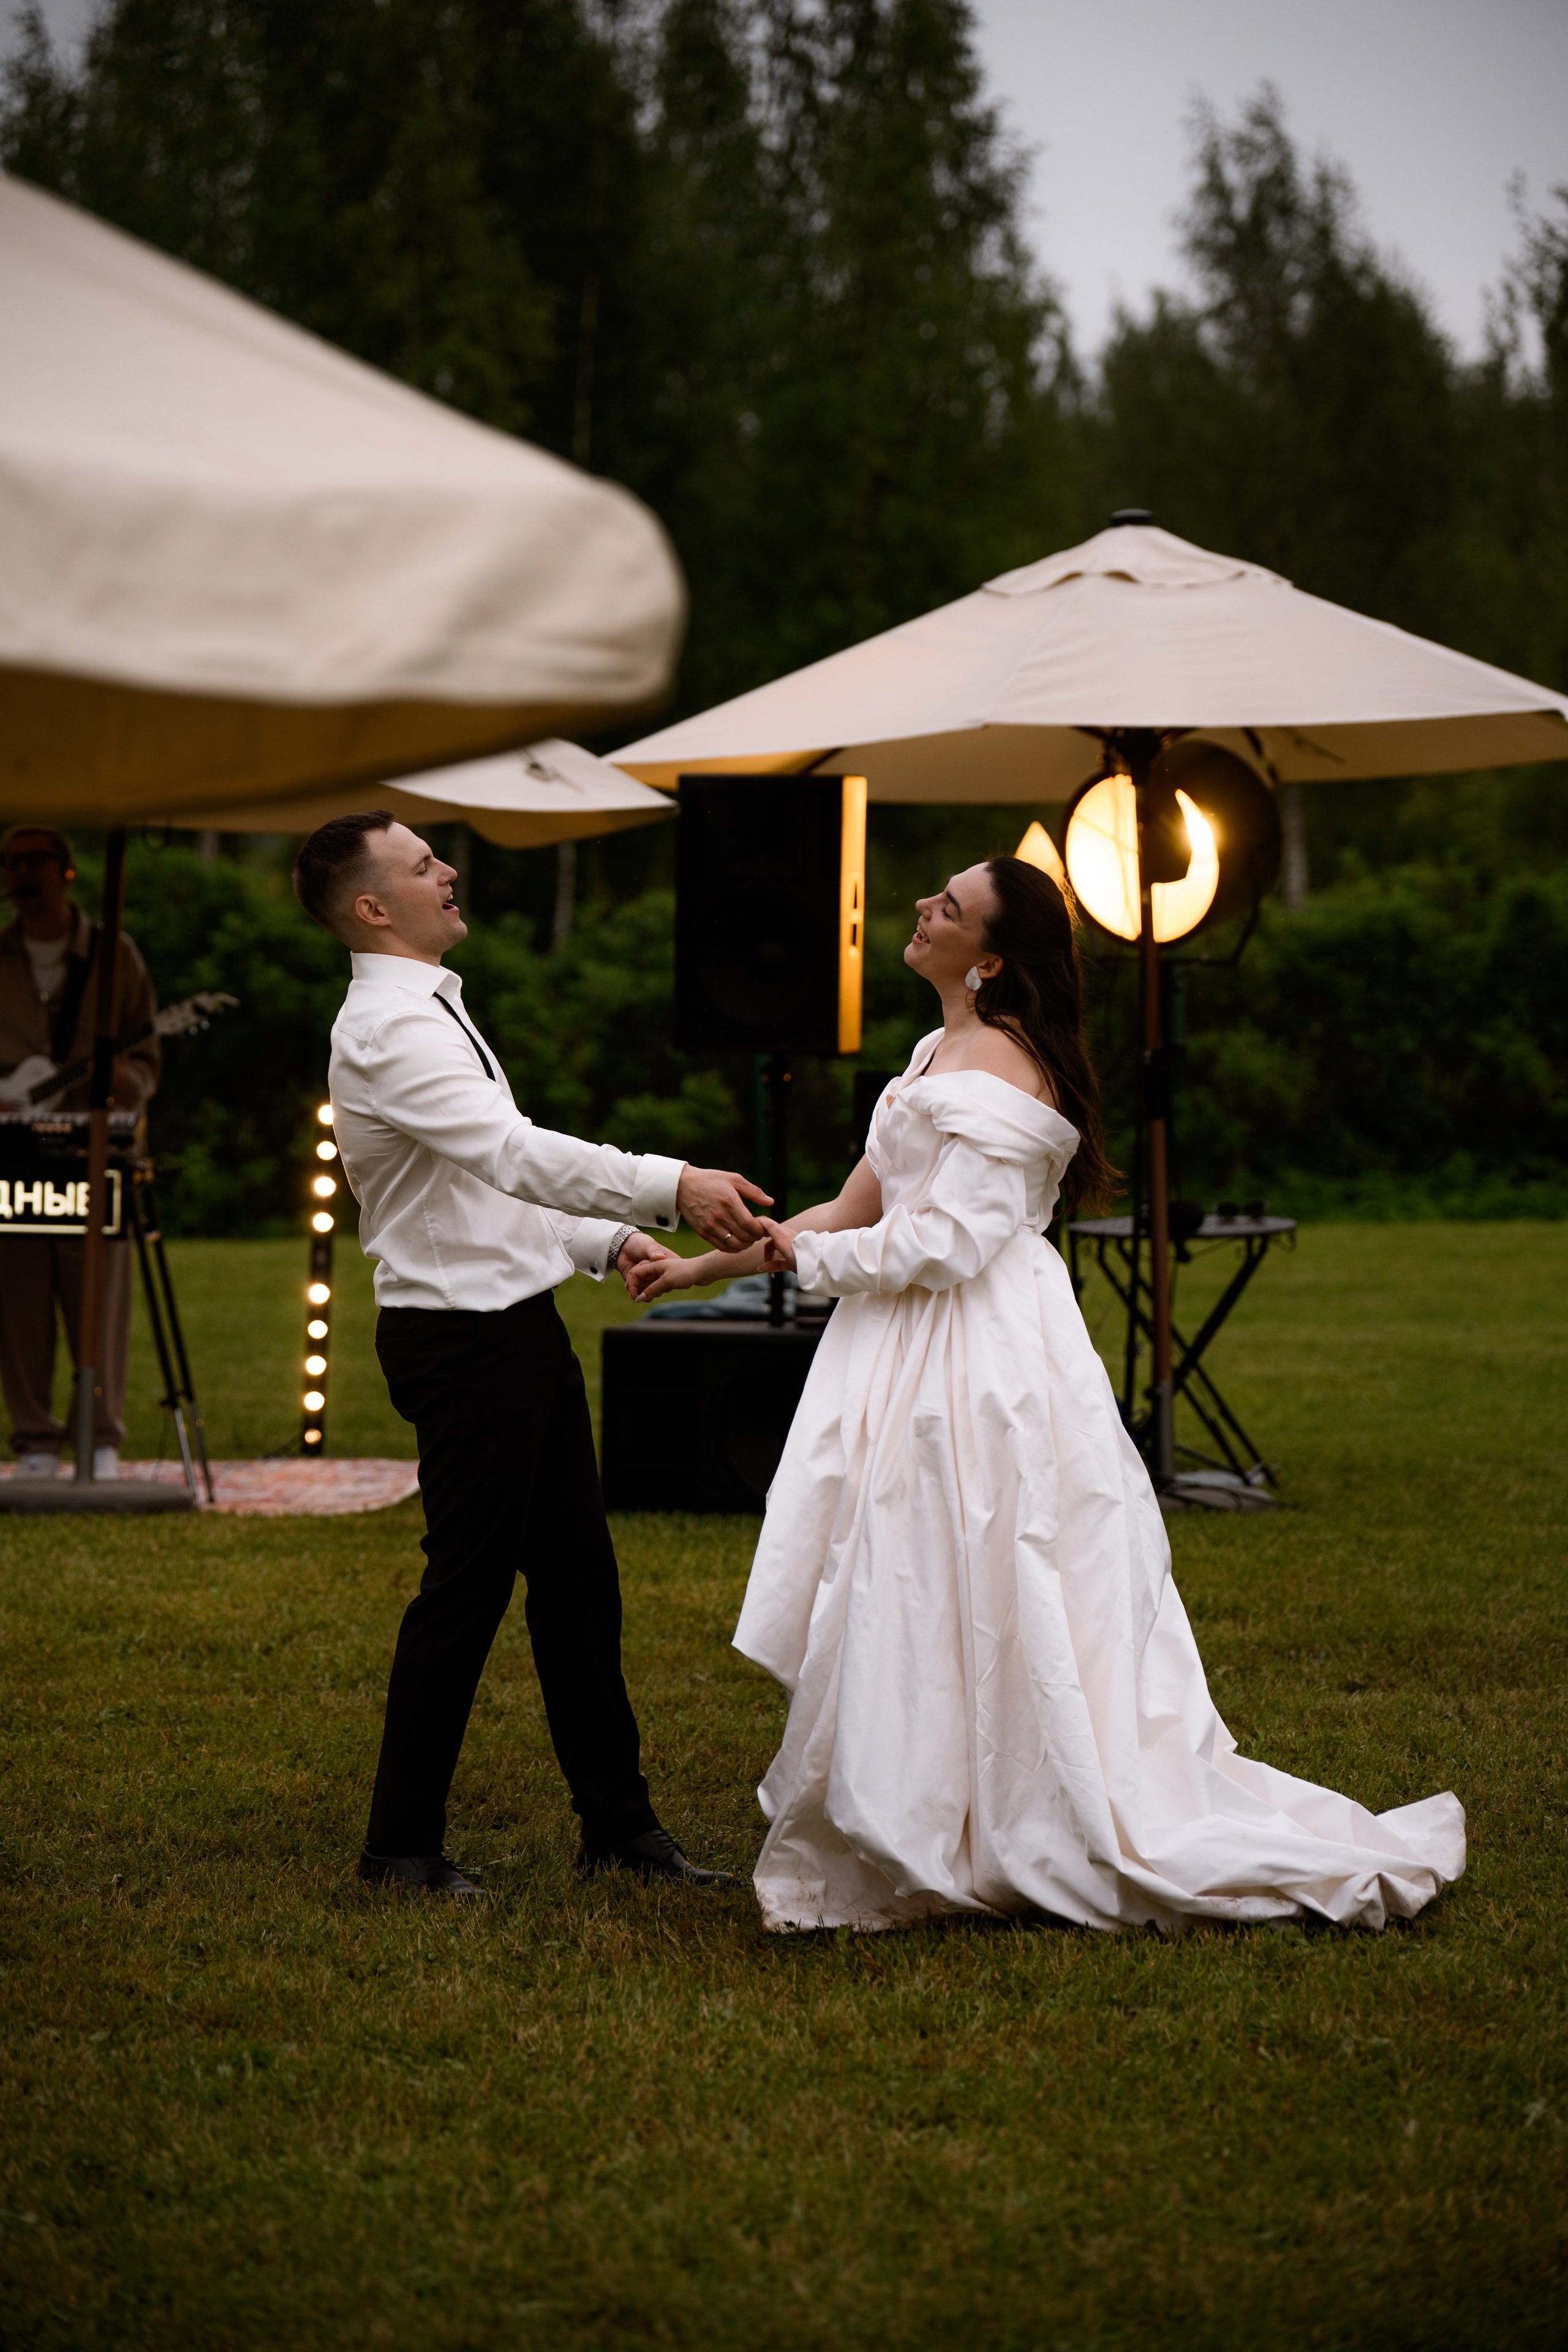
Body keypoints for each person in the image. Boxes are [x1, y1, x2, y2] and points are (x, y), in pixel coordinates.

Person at [630, 856, 1465, 1934]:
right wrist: (701, 1267)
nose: (922, 909)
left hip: (981, 1354)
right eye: (933, 894)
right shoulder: (934, 1049)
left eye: (949, 906)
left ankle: (1004, 1814)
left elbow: (950, 1242)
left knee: (985, 1559)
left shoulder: (1012, 1065)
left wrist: (813, 1268)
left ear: (987, 957)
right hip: (898, 1344)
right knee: (899, 1569)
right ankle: (919, 1806)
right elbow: (849, 1209)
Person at [293, 810, 771, 1899]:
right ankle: (400, 1850)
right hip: (462, 1343)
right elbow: (513, 1153)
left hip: (511, 1327)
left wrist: (606, 1237)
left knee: (578, 1588)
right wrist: (673, 1183)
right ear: (374, 909)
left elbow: (487, 1184)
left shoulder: (428, 1012)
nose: (447, 870)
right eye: (422, 866)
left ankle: (622, 1832)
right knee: (465, 1590)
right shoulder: (391, 1030)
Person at [0, 826, 160, 1481]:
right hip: (11, 1155)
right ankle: (34, 1438)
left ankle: (100, 1434)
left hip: (93, 1154)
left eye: (35, 861)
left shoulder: (113, 955)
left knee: (101, 1289)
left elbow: (148, 1058)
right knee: (19, 1295)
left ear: (66, 871)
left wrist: (125, 1080)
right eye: (12, 864)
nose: (22, 874)